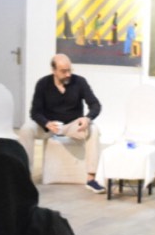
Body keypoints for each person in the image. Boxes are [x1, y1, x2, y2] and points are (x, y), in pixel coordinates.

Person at [18, 54, 103, 193]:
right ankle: (24, 177)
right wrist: (46, 123)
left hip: (72, 126)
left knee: (94, 130)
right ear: (54, 70)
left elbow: (95, 105)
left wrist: (87, 118)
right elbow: (35, 112)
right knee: (26, 129)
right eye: (63, 71)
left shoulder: (80, 82)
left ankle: (91, 178)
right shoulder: (43, 84)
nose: (68, 74)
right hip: (49, 126)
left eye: (70, 70)